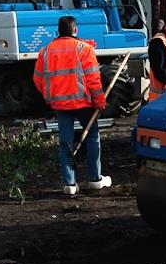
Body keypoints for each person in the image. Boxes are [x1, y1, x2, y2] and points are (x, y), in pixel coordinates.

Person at [33, 16, 109, 196]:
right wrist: (99, 101)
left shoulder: (46, 51)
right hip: (84, 103)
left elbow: (37, 79)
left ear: (59, 31)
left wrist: (49, 95)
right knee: (92, 138)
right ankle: (94, 178)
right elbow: (93, 80)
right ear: (75, 30)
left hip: (60, 104)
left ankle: (70, 183)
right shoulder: (84, 49)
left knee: (65, 143)